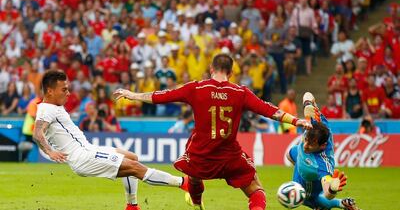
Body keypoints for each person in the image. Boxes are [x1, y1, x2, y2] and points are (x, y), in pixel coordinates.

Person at [114, 53, 312, 210]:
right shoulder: (240, 92)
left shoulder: (196, 88)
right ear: (231, 73)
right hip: (229, 155)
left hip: (201, 154)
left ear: (211, 70)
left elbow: (161, 96)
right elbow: (269, 110)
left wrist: (133, 95)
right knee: (255, 188)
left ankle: (198, 204)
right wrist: (296, 120)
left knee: (193, 176)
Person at [33, 70, 188, 210]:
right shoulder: (47, 109)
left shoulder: (53, 106)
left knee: (131, 157)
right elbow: (37, 133)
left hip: (88, 149)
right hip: (82, 157)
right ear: (50, 91)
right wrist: (50, 151)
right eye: (64, 89)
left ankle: (132, 206)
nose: (68, 93)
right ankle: (183, 183)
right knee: (135, 167)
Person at [286, 92, 361, 210]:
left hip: (311, 170)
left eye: (311, 145)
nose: (305, 146)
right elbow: (307, 94)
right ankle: (336, 204)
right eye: (306, 140)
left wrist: (332, 189)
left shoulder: (323, 164)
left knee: (306, 199)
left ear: (322, 146)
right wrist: (308, 104)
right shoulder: (318, 122)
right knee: (289, 154)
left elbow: (328, 194)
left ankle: (340, 204)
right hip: (300, 157)